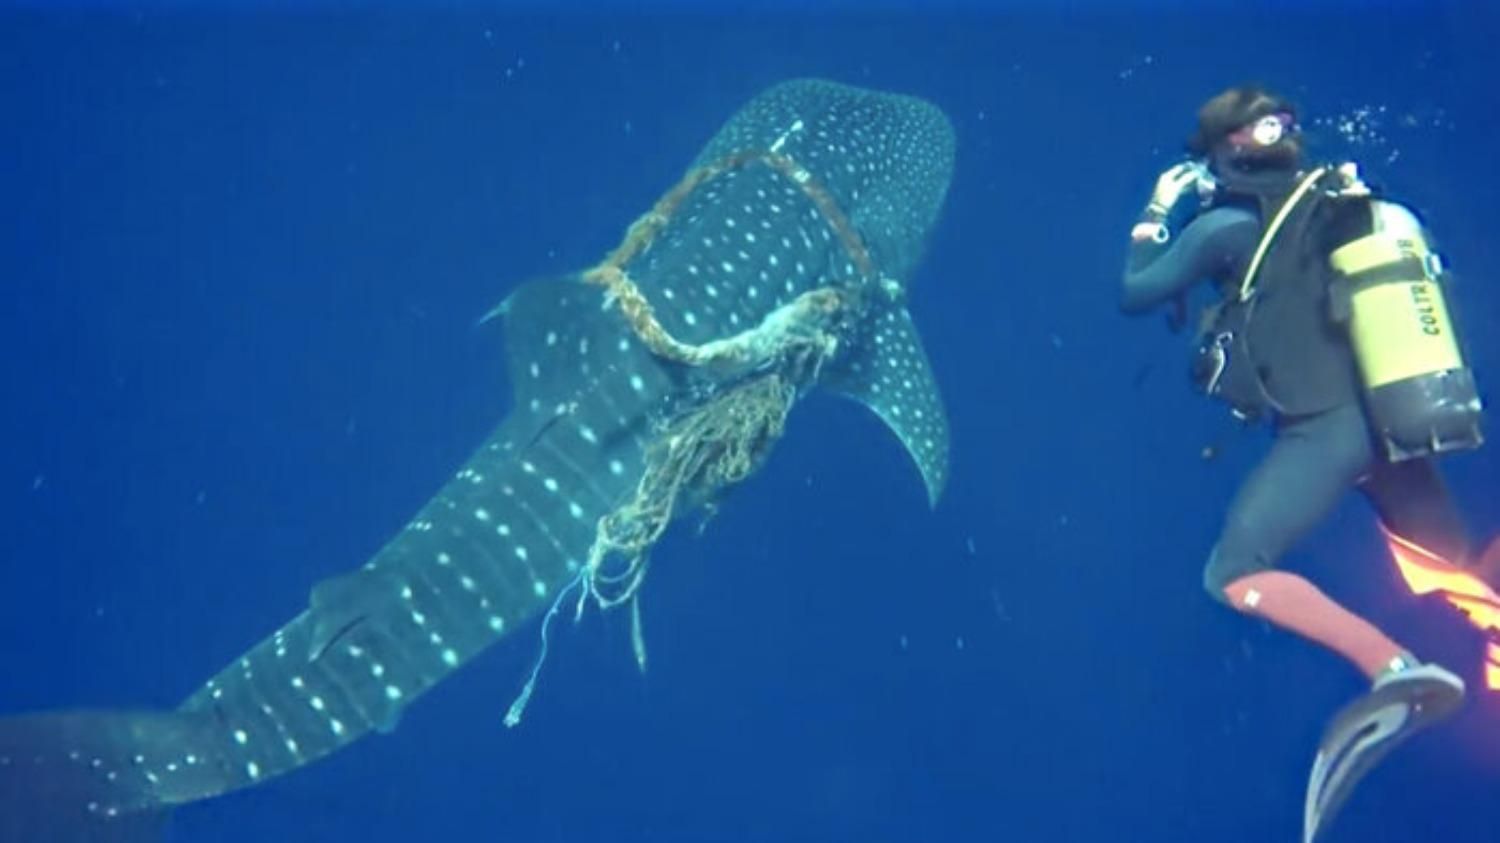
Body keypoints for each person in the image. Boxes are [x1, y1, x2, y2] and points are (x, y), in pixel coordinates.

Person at [1120, 84, 1500, 839]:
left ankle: (1391, 666)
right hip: (1392, 417)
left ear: (1224, 155)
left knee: (1233, 569)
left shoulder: (1228, 228)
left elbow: (1139, 291)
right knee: (1452, 564)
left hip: (1325, 434)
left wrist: (1159, 212)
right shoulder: (1341, 207)